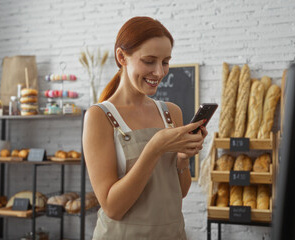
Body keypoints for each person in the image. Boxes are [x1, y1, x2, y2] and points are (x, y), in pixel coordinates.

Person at [82, 16, 207, 240]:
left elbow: (180, 191)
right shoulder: (100, 116)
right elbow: (112, 207)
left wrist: (181, 159)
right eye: (149, 61)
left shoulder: (171, 112)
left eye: (165, 62)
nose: (159, 72)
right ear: (122, 57)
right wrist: (154, 148)